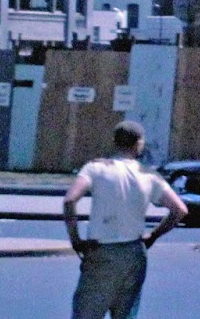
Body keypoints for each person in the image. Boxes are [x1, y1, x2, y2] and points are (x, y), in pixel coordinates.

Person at [62, 120, 187, 319]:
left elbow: (70, 200)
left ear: (115, 142)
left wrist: (76, 240)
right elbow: (179, 210)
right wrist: (153, 235)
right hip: (134, 253)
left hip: (101, 251)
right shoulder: (149, 176)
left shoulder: (95, 168)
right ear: (139, 144)